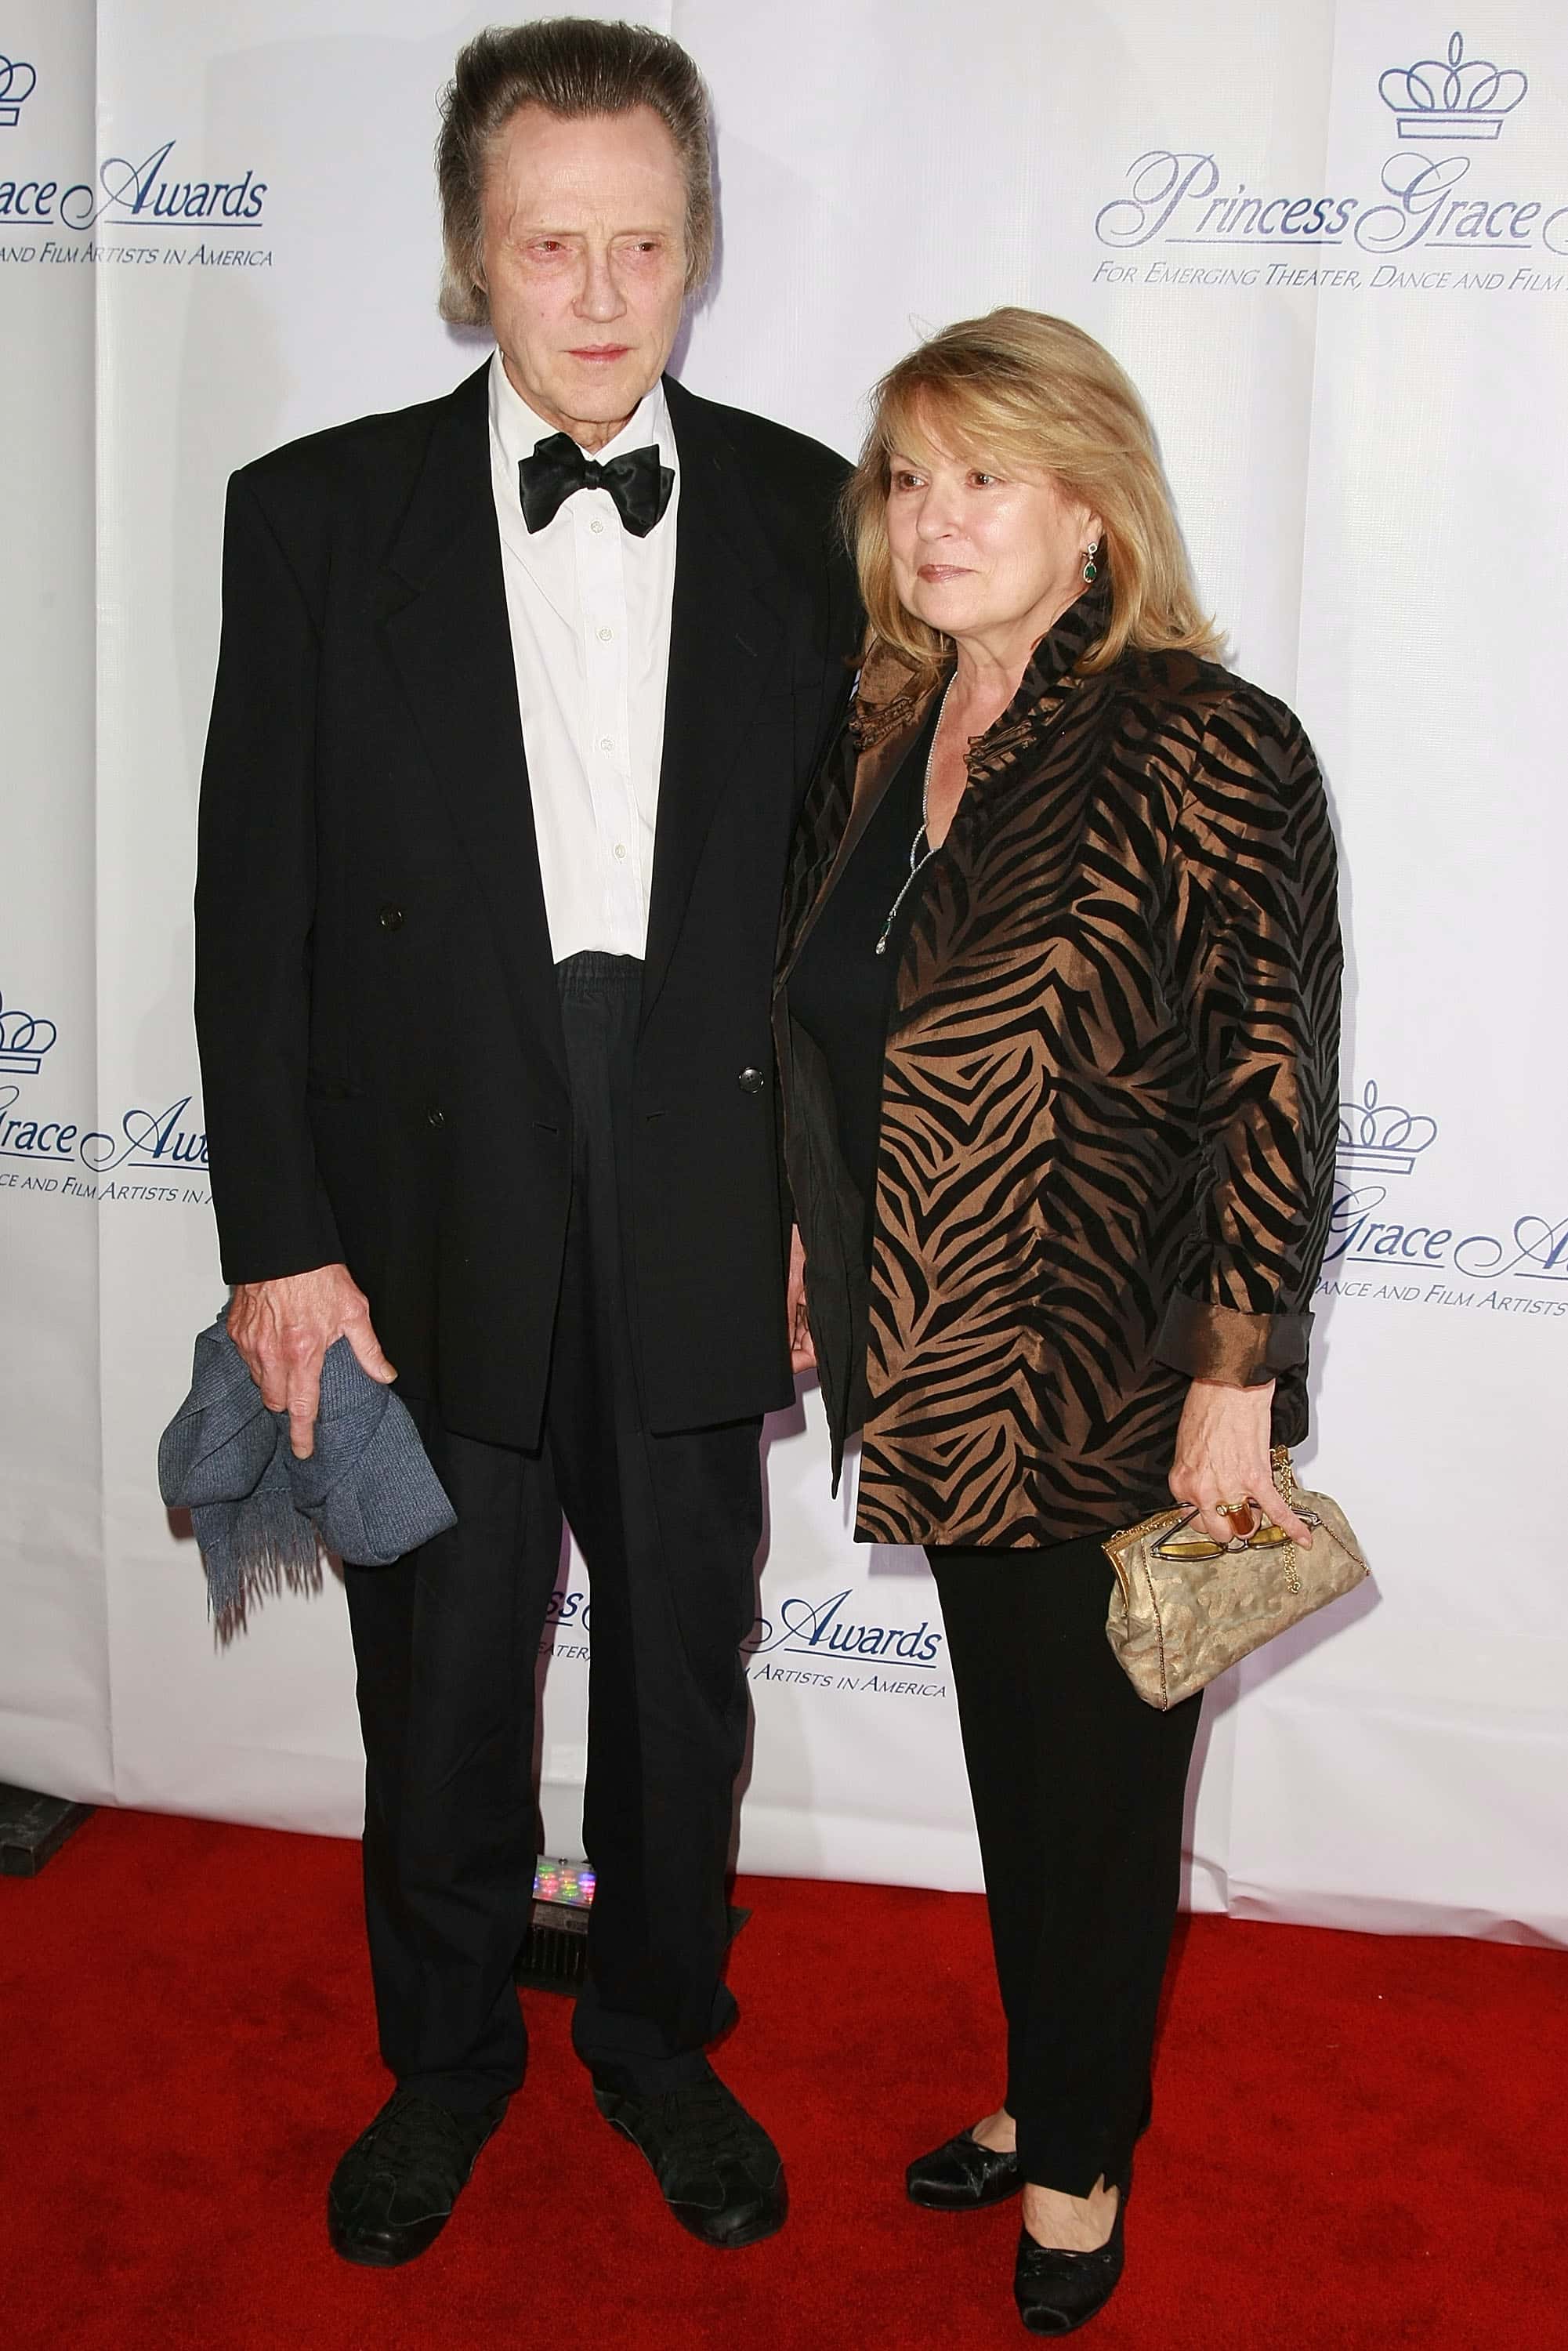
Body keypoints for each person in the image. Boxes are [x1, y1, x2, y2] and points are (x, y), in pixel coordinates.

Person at [194, 17, 856, 2266]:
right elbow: (247, 902)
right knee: (443, 1667)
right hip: (420, 1203)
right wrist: (278, 1240)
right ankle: (447, 2061)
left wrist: (819, 1216)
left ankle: (659, 2043)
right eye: (545, 245)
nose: (594, 293)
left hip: (705, 1180)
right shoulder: (308, 516)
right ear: (472, 257)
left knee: (682, 1662)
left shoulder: (804, 512)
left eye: (638, 244)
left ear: (696, 250)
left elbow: (850, 913)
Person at [774, 308, 1341, 2335]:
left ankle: (1077, 2164)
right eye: (907, 478)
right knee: (1029, 1780)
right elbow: (834, 1049)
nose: (932, 519)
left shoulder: (1203, 736)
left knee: (1099, 1802)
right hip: (938, 1376)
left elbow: (1271, 1075)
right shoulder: (877, 729)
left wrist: (1233, 1391)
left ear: (1088, 511)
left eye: (982, 476)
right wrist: (799, 1268)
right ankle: (1049, 2086)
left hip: (1114, 1382)